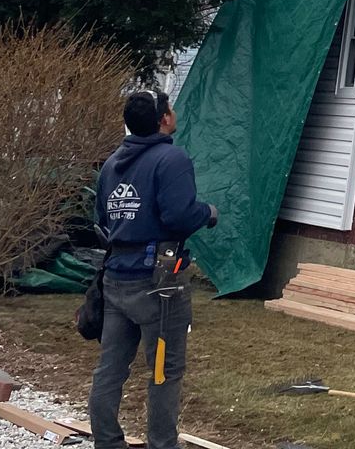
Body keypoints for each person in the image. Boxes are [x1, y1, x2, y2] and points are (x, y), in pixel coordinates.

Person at [90, 90, 216, 449]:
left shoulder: (112, 163)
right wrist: (207, 213)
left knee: (111, 368)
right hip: (158, 287)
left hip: (117, 280)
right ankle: (162, 444)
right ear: (163, 120)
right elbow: (178, 215)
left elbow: (101, 219)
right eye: (170, 109)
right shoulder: (171, 159)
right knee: (164, 370)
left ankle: (107, 441)